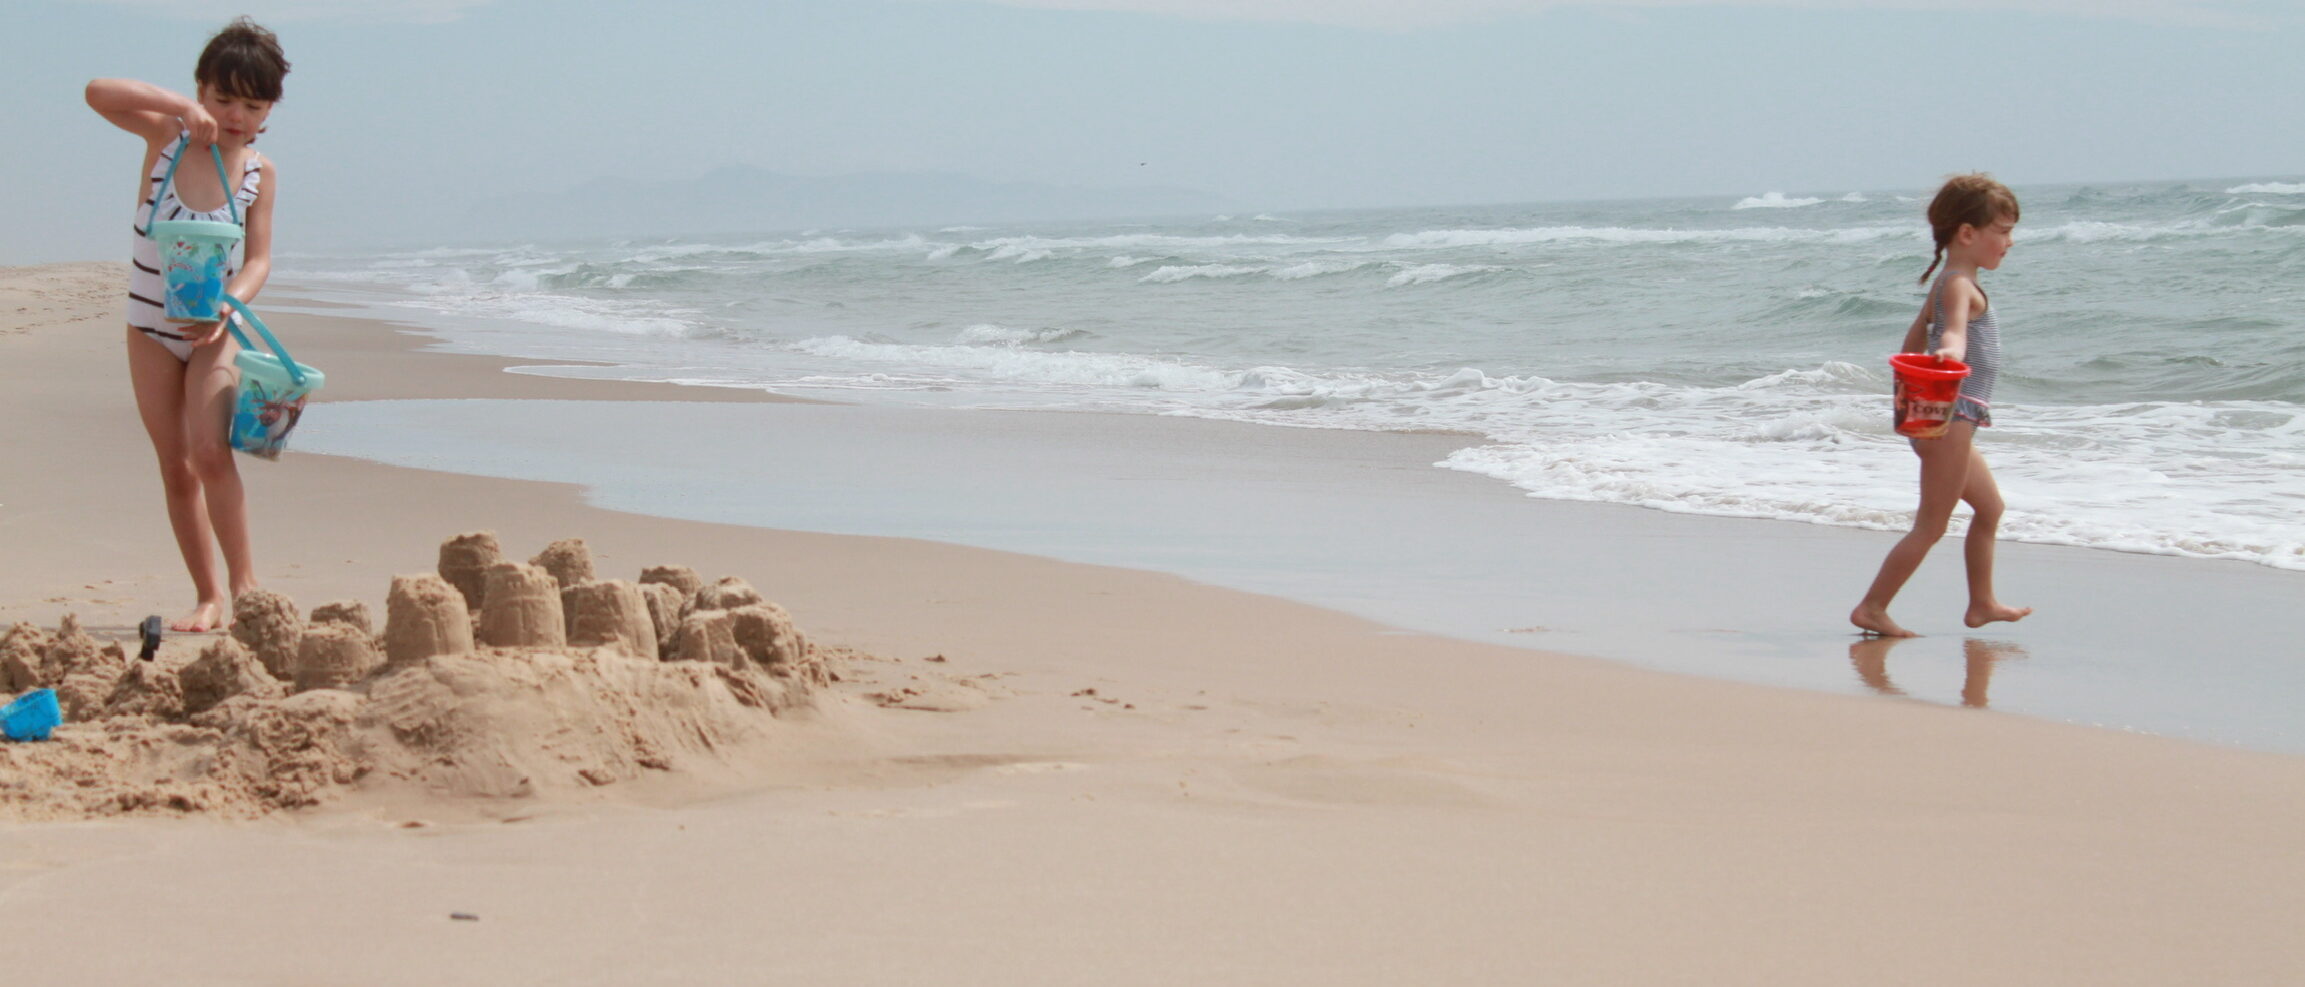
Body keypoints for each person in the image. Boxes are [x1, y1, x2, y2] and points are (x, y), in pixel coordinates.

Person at [86, 18, 290, 632]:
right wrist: (176, 106)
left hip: (213, 329)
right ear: (201, 90)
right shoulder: (166, 138)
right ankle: (207, 596)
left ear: (269, 109)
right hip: (148, 327)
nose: (234, 114)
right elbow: (97, 91)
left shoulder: (260, 172)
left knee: (210, 452)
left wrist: (230, 304)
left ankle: (246, 585)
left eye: (251, 104)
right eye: (223, 97)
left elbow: (258, 259)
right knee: (175, 465)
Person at [1850, 173, 2034, 638]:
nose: (2010, 242)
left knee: (1990, 509)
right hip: (1950, 422)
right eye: (2004, 231)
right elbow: (1951, 330)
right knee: (1930, 526)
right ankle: (1872, 607)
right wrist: (1950, 353)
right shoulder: (1957, 287)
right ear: (1968, 234)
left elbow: (1912, 341)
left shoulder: (1949, 282)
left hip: (1946, 421)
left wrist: (1919, 379)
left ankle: (1982, 603)